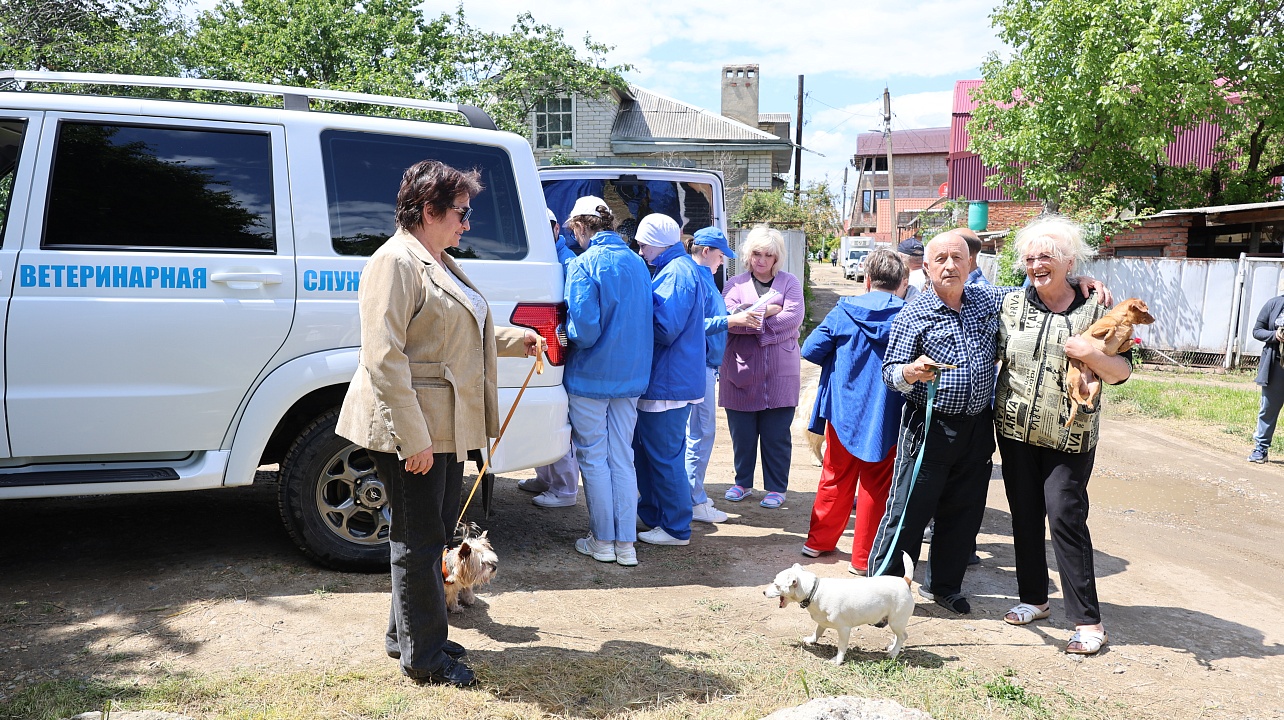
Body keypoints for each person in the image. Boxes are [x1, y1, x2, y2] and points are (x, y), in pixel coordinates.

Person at [336, 160, 540, 687]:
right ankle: (424, 659)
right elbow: (384, 357)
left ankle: (406, 636)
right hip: (416, 432)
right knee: (420, 542)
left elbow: (454, 337)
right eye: (461, 212)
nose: (467, 223)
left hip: (445, 427)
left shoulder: (436, 259)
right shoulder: (394, 263)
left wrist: (516, 340)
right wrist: (413, 440)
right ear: (428, 211)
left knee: (429, 538)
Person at [867, 229, 1109, 616]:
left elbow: (1037, 289)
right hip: (928, 426)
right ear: (925, 267)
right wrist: (911, 371)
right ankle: (882, 594)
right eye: (940, 260)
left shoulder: (988, 298)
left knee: (963, 511)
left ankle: (944, 585)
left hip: (978, 426)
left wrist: (1077, 280)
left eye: (957, 258)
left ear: (970, 264)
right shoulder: (913, 313)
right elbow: (889, 373)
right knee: (909, 511)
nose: (949, 266)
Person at [994, 216, 1131, 656]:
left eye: (1047, 256)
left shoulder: (1097, 310)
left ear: (1070, 261)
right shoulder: (1010, 304)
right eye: (1030, 257)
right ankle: (1034, 599)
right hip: (1014, 432)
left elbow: (1123, 372)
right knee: (1024, 516)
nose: (1037, 265)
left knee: (1065, 517)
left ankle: (1088, 621)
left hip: (1070, 438)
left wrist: (1091, 352)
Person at [800, 249, 908, 573]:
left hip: (844, 410)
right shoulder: (908, 315)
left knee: (835, 476)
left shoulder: (844, 310)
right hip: (888, 414)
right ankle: (863, 560)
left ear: (867, 279)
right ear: (902, 282)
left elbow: (810, 349)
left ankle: (817, 543)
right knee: (878, 484)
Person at [562, 196, 654, 566]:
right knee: (622, 457)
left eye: (575, 232)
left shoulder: (584, 264)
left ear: (582, 227)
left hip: (591, 377)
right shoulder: (638, 262)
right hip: (631, 377)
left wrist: (562, 331)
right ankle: (626, 545)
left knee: (594, 458)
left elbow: (583, 330)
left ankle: (602, 540)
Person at [633, 214, 710, 546]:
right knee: (655, 455)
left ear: (658, 243)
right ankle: (659, 519)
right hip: (672, 380)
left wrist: (634, 311)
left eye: (643, 243)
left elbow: (665, 328)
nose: (640, 250)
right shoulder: (677, 267)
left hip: (668, 382)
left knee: (664, 457)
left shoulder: (676, 272)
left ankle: (676, 527)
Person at [720, 226, 804, 509]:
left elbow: (792, 319)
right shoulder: (733, 283)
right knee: (741, 433)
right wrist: (767, 310)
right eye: (757, 253)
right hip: (740, 371)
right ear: (748, 254)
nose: (761, 260)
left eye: (768, 255)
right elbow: (727, 321)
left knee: (776, 434)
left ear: (776, 257)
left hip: (781, 373)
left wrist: (750, 318)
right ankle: (742, 482)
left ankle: (776, 487)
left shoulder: (790, 282)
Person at [685, 227, 761, 524]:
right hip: (698, 365)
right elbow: (693, 323)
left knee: (698, 435)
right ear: (706, 252)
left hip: (703, 365)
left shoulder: (702, 277)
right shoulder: (696, 277)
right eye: (720, 256)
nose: (722, 263)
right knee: (700, 435)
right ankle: (693, 500)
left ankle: (693, 494)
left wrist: (736, 312)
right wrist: (733, 318)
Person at [520, 207, 581, 508]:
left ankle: (566, 488)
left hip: (559, 349)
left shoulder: (567, 262)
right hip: (542, 346)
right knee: (542, 417)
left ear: (558, 230)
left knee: (559, 418)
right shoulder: (549, 259)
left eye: (548, 228)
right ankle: (545, 478)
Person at [1249, 290, 1284, 463]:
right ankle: (1260, 449)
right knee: (1268, 409)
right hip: (1276, 365)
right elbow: (1257, 331)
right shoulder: (1274, 304)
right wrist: (1275, 336)